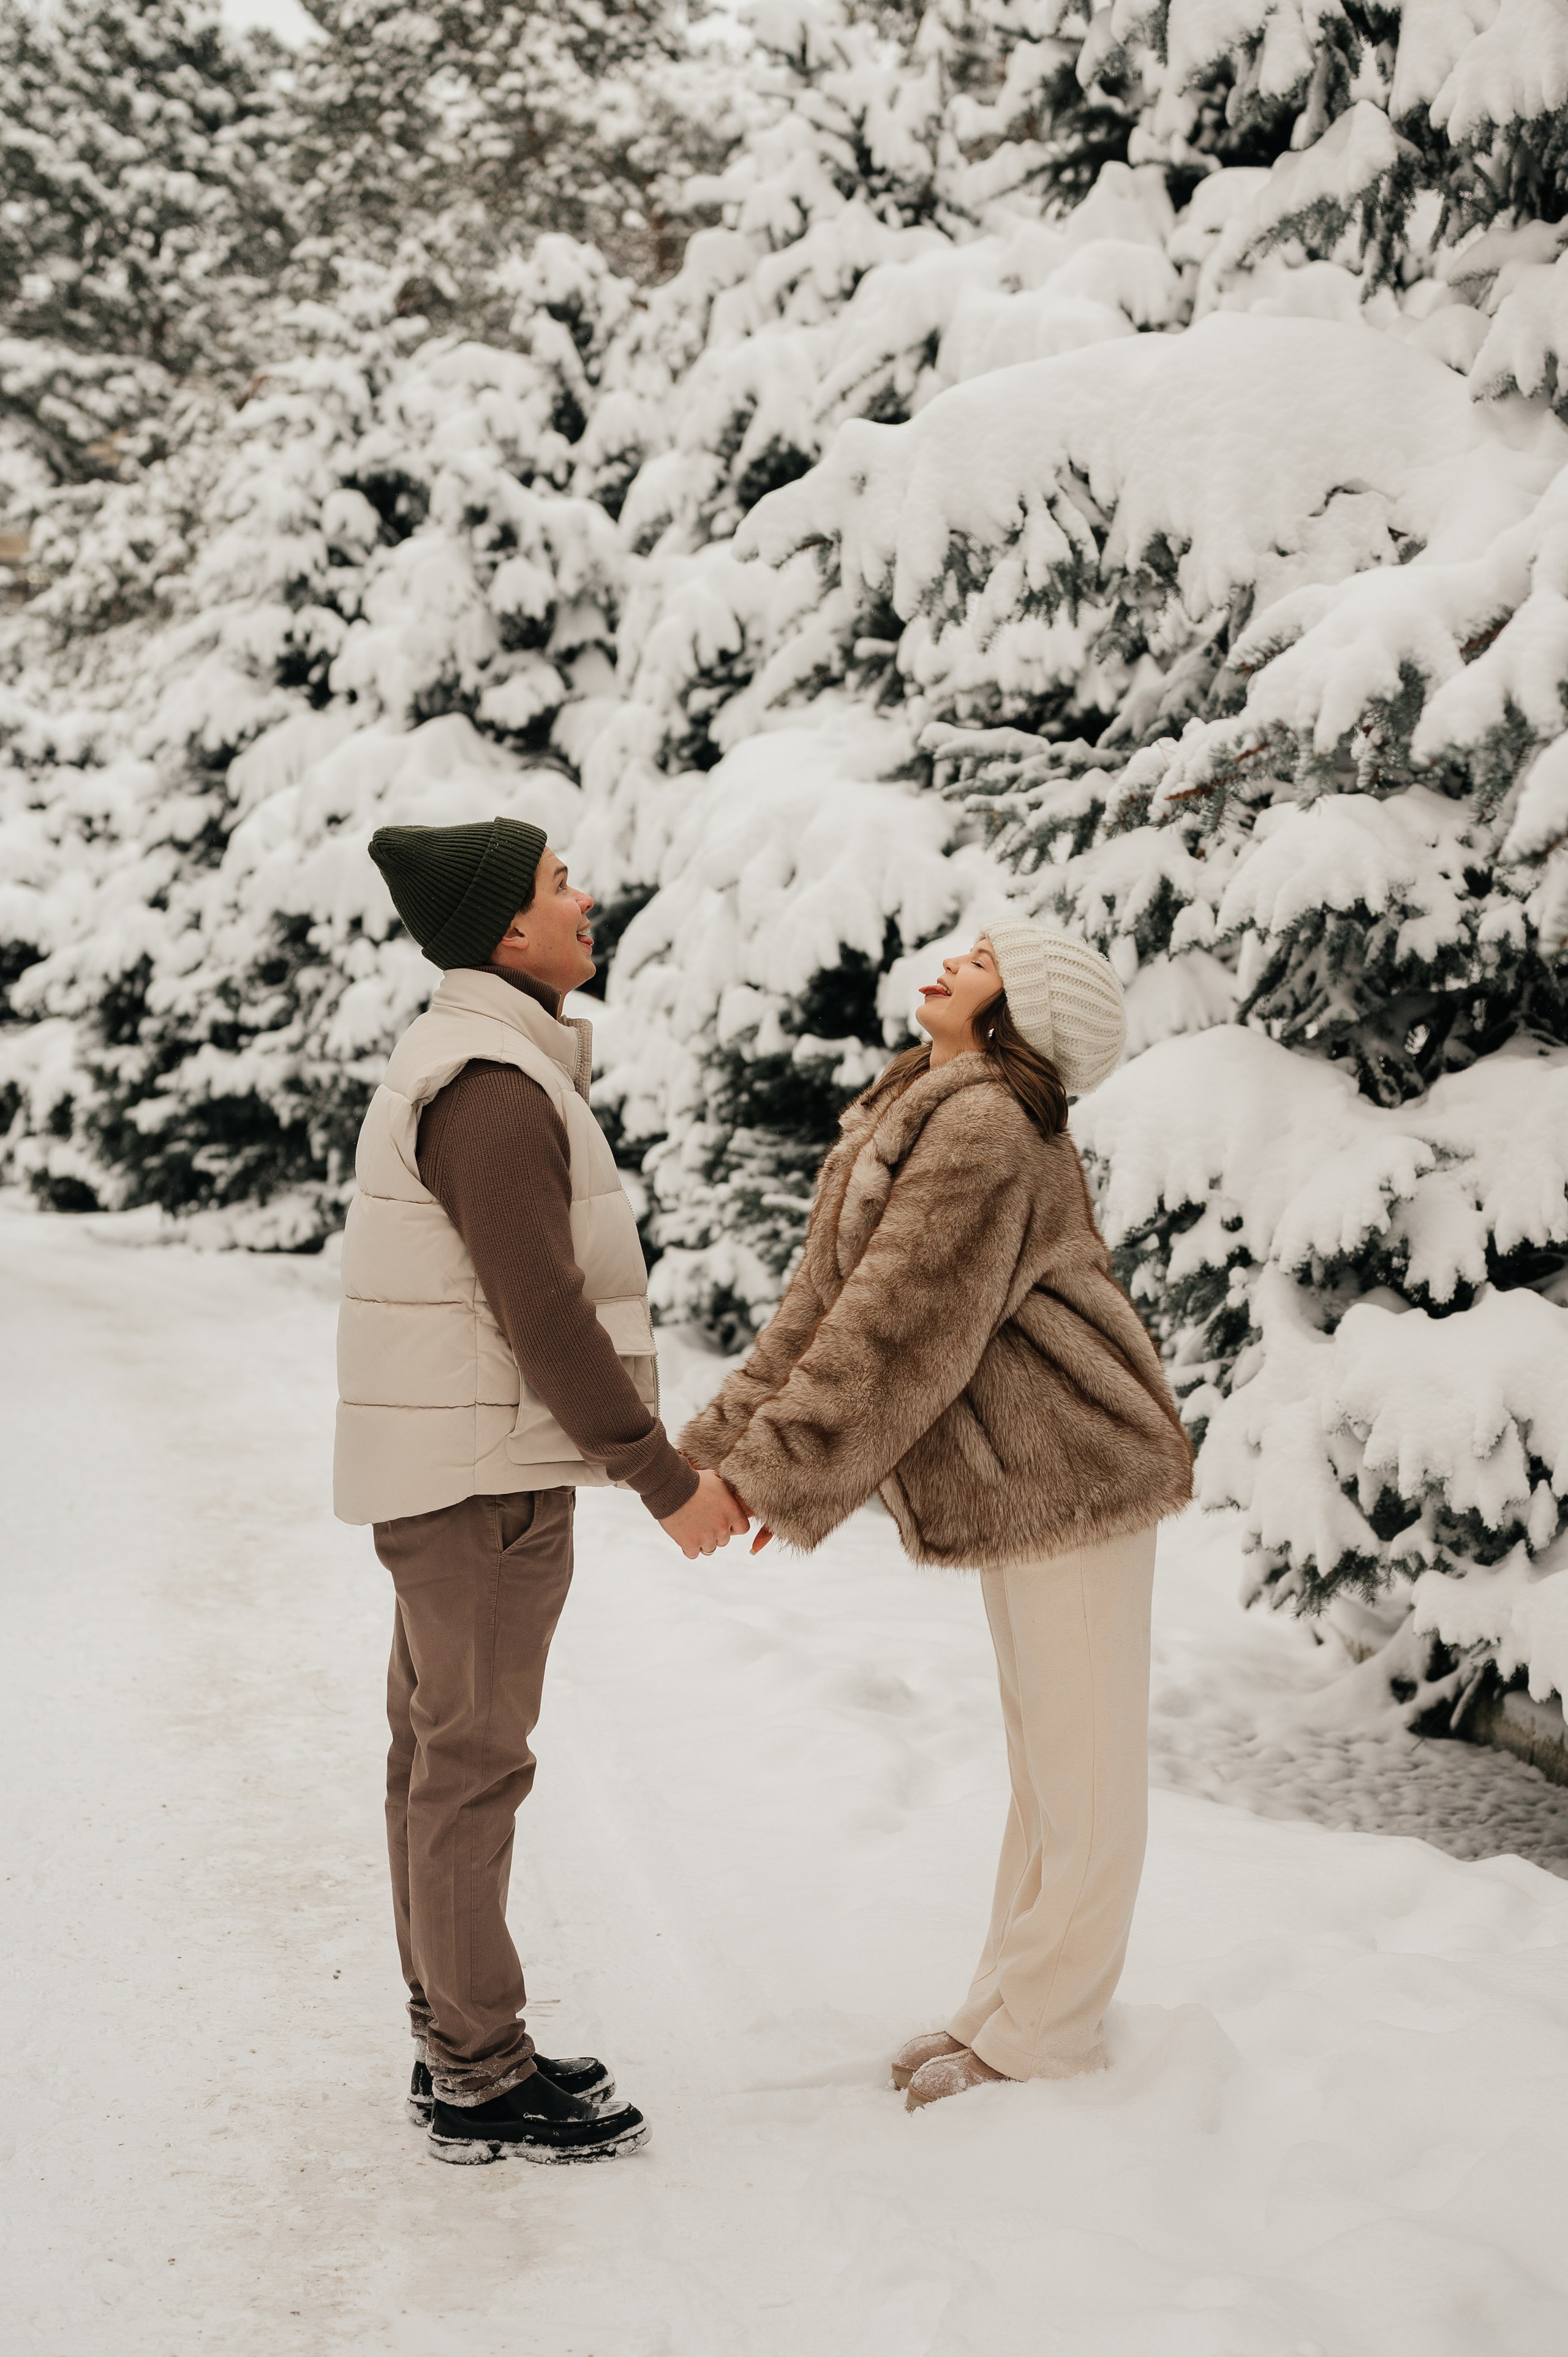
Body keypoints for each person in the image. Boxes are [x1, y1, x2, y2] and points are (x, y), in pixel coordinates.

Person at [678, 922, 1194, 2108]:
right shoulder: (916, 1103)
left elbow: (898, 1324)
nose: (951, 962)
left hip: (1074, 1467)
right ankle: (1003, 2005)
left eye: (983, 960)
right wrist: (713, 1455)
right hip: (1018, 1480)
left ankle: (1048, 2032)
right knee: (1044, 1764)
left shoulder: (986, 1126)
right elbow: (826, 1302)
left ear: (1025, 1013)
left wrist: (773, 1471)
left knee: (1082, 1770)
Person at [334, 815, 748, 2165]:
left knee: (435, 1759)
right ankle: (477, 2071)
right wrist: (658, 1474)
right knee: (468, 1767)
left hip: (457, 1474)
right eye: (559, 884)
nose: (586, 901)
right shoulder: (495, 1083)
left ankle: (458, 2036)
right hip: (481, 1486)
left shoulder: (484, 1059)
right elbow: (544, 1311)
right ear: (508, 935)